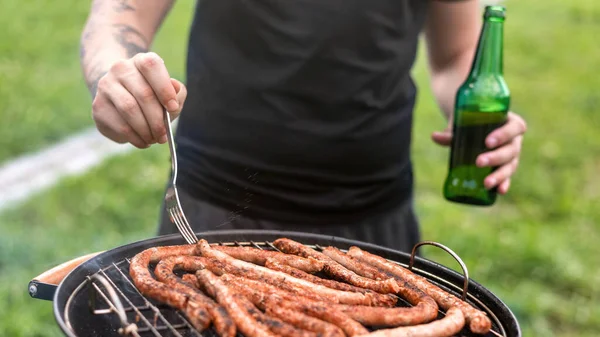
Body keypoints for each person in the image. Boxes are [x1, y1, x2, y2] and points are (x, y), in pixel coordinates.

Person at [80, 0, 527, 252]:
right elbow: (119, 17)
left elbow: (455, 57)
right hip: (216, 211)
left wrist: (478, 117)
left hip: (372, 218)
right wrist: (113, 74)